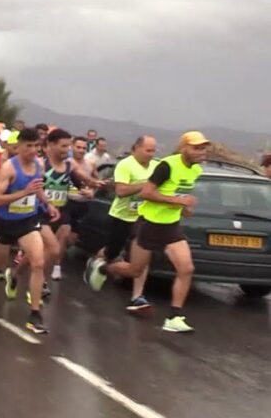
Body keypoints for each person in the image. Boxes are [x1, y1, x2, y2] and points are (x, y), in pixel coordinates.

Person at [87, 132, 209, 332]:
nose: (201, 152)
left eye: (203, 148)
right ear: (183, 148)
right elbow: (147, 193)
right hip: (149, 224)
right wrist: (178, 201)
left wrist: (184, 208)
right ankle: (103, 268)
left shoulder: (195, 170)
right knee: (135, 270)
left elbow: (178, 193)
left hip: (171, 226)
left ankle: (174, 316)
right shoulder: (167, 165)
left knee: (186, 268)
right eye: (196, 148)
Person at [0, 128, 59, 334]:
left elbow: (37, 187)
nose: (32, 150)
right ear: (18, 147)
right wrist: (23, 192)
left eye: (36, 146)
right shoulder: (8, 169)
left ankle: (35, 314)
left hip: (28, 221)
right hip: (5, 223)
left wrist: (47, 204)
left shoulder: (39, 164)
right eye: (28, 146)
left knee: (38, 262)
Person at [81, 135, 157, 312]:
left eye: (154, 151)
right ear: (136, 148)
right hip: (122, 216)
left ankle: (137, 296)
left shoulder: (155, 167)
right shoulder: (125, 165)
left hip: (143, 218)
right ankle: (97, 261)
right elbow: (121, 191)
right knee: (112, 252)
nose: (151, 154)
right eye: (148, 150)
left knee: (142, 258)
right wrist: (145, 185)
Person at [34, 129, 102, 287]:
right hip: (41, 212)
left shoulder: (69, 165)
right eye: (63, 146)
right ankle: (32, 279)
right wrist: (47, 202)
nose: (67, 150)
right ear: (50, 145)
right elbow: (35, 188)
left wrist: (94, 185)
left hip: (62, 211)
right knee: (53, 249)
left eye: (68, 146)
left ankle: (28, 277)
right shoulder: (40, 164)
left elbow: (84, 179)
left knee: (52, 247)